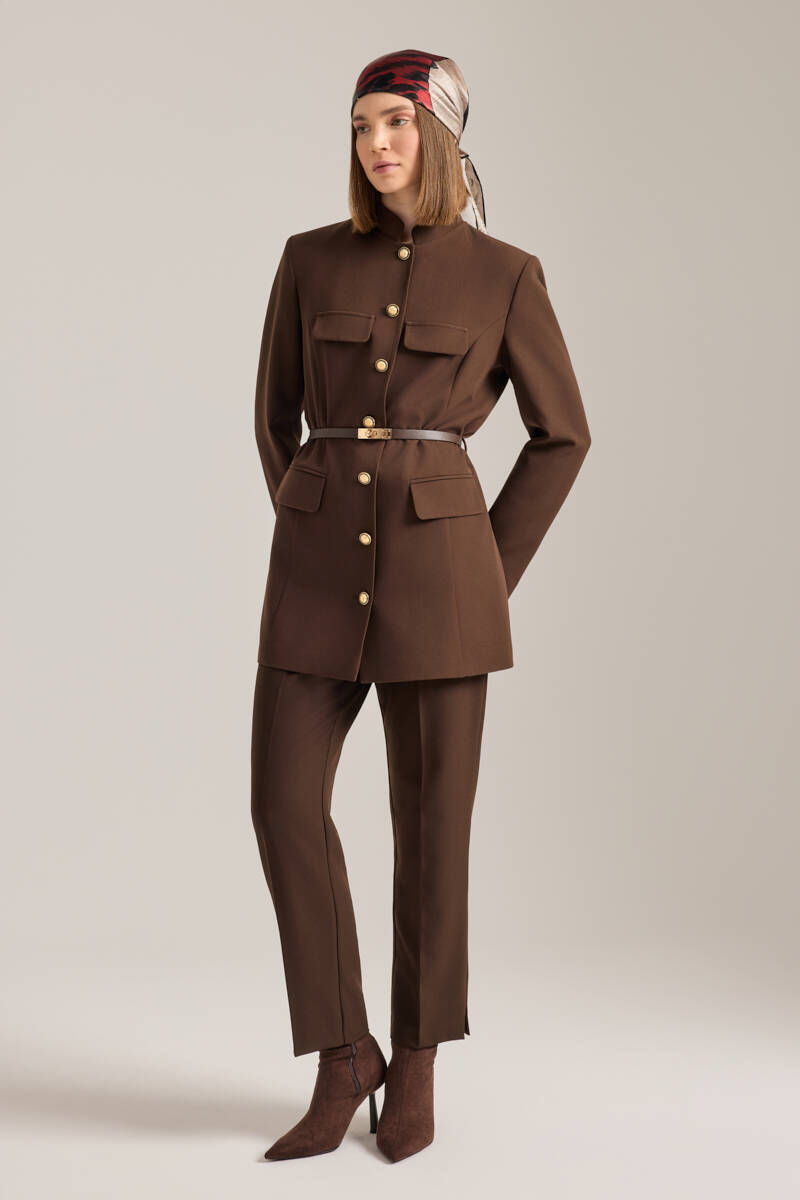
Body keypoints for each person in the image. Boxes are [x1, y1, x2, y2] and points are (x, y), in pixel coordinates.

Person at [250, 48, 591, 1163]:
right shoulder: (308, 260)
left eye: (394, 123)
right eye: (360, 127)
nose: (375, 145)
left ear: (439, 134)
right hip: (315, 575)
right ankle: (343, 1055)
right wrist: (304, 517)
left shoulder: (505, 275)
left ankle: (418, 1060)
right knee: (282, 805)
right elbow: (274, 416)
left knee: (432, 831)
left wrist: (484, 565)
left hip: (442, 581)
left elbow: (563, 435)